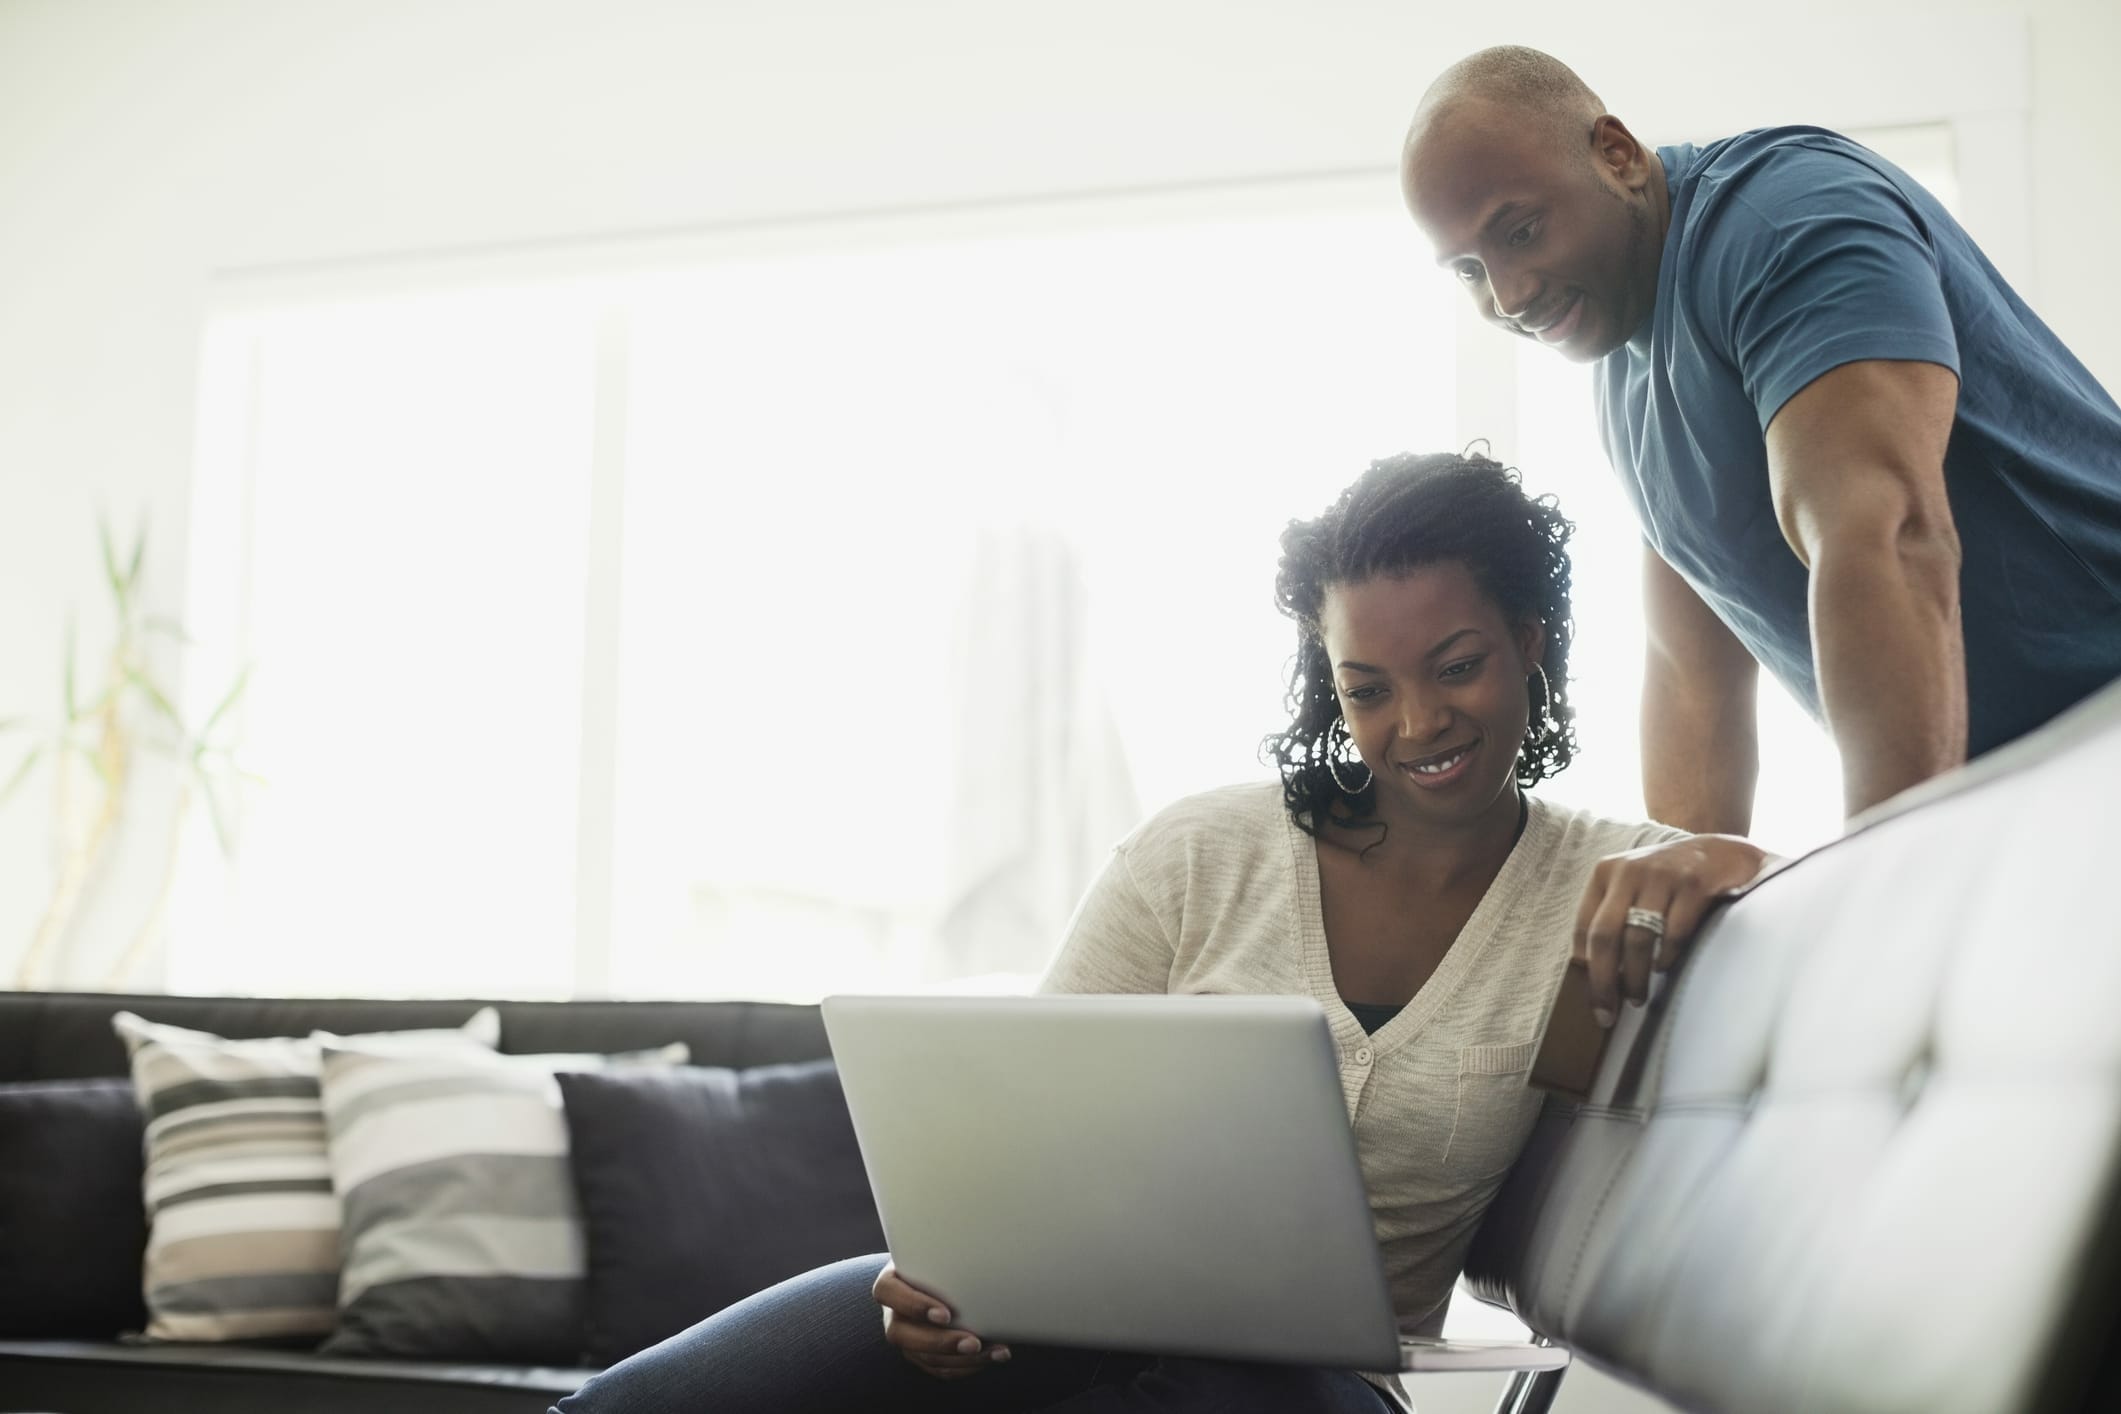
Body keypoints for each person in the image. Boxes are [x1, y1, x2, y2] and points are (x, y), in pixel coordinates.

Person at [552, 452, 1768, 1414]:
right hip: (1042, 1320)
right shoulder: (1201, 853)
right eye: (1366, 687)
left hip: (1312, 1385)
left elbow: (1815, 896)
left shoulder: (1596, 883)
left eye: (1456, 667)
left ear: (1532, 649)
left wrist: (1727, 854)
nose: (1415, 723)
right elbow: (1010, 1138)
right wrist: (927, 1289)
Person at [1400, 47, 2121, 833]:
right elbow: (1690, 680)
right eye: (1468, 270)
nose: (1509, 294)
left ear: (1616, 154)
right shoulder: (1624, 376)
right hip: (2026, 789)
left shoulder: (1786, 219)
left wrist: (1882, 869)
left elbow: (1884, 534)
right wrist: (1680, 896)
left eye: (1522, 230)